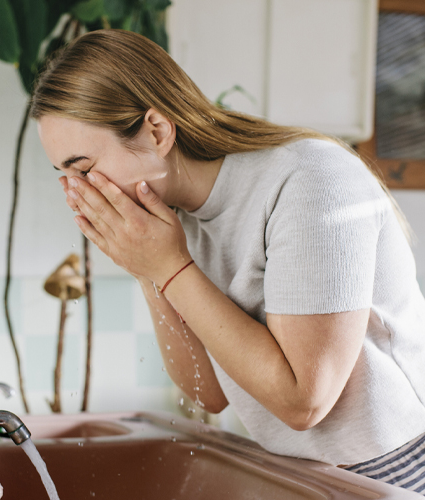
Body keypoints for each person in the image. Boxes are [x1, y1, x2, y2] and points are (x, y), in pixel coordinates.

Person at [30, 29, 425, 494]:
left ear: (157, 132)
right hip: (305, 473)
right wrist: (147, 270)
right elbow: (206, 394)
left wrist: (168, 268)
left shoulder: (309, 180)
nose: (79, 192)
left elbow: (305, 402)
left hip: (395, 472)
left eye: (84, 168)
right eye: (66, 175)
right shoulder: (176, 221)